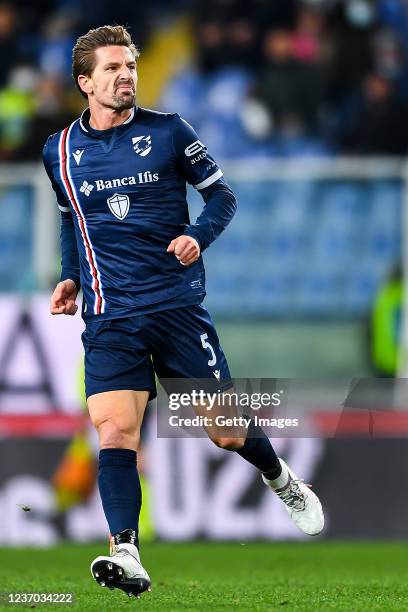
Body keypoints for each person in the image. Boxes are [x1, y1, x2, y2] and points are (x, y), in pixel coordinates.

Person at [43, 25, 324, 600]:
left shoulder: (170, 132)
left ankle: (281, 478)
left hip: (174, 309)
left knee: (224, 432)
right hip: (110, 316)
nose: (126, 76)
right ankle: (126, 549)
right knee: (116, 432)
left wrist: (198, 235)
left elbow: (223, 196)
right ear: (85, 83)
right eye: (113, 69)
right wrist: (71, 274)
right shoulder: (60, 151)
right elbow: (74, 217)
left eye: (131, 67)